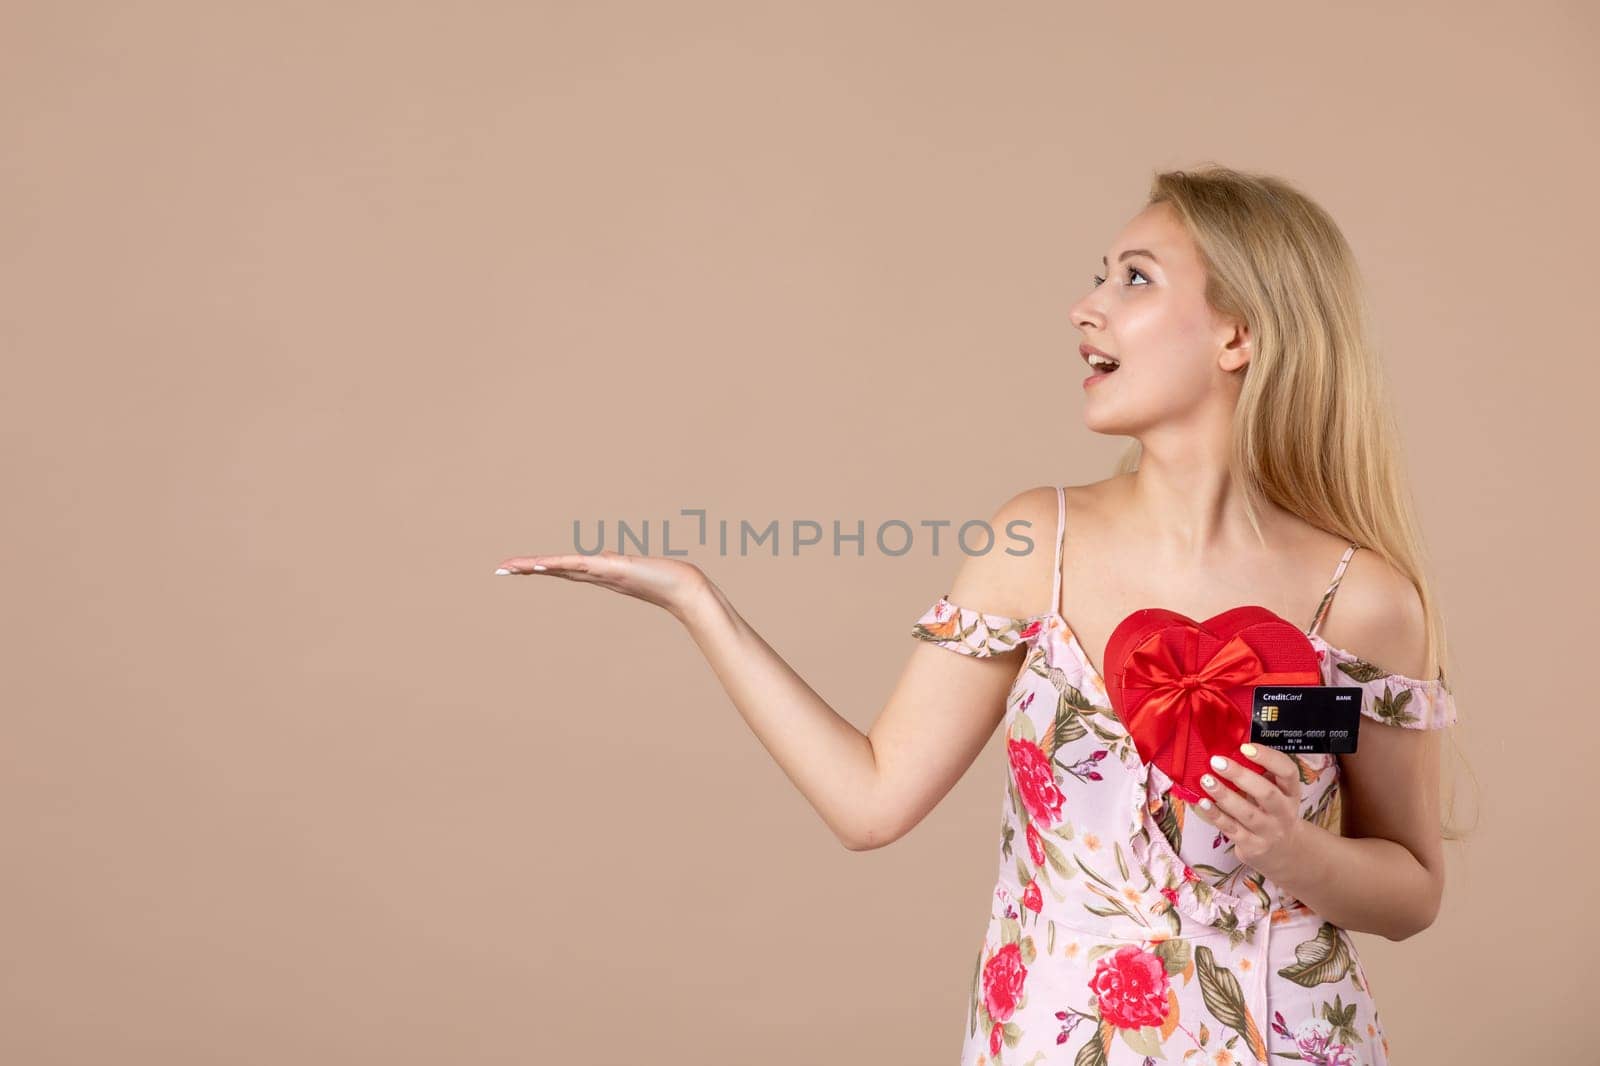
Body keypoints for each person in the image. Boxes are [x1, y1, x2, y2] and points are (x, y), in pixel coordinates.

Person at [495, 165, 1465, 1065]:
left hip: (1285, 1039)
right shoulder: (1029, 545)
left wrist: (1296, 853)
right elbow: (869, 802)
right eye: (1099, 278)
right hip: (1046, 1038)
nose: (1083, 307)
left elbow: (1411, 888)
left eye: (1134, 279)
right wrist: (698, 603)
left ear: (1237, 335)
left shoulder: (1364, 598)